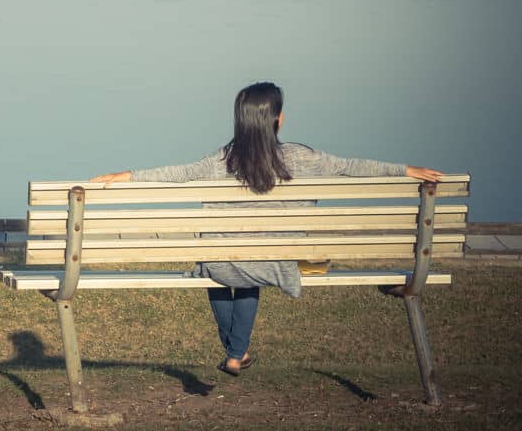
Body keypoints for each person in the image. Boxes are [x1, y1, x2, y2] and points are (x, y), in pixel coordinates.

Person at [90, 81, 443, 377]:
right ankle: (235, 354)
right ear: (277, 119)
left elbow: (178, 173)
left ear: (240, 121)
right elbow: (350, 166)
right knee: (252, 270)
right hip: (274, 262)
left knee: (218, 266)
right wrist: (405, 170)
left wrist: (128, 176)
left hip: (219, 262)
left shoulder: (220, 160)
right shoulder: (302, 157)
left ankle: (235, 353)